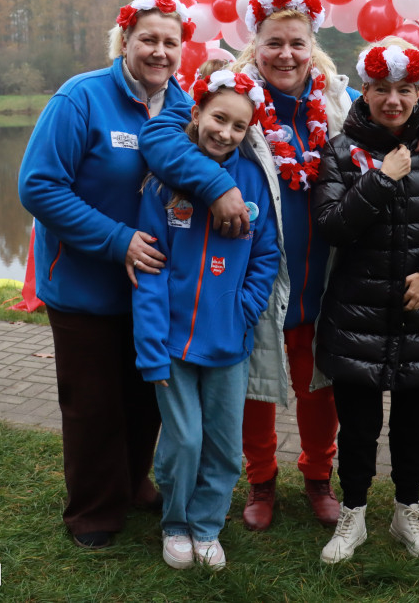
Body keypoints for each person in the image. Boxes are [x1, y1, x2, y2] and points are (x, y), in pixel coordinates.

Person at [142, 0, 419, 533]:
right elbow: (164, 135)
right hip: (257, 273)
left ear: (312, 47)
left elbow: (405, 109)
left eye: (297, 43)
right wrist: (216, 185)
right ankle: (261, 481)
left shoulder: (339, 100)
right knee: (254, 385)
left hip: (329, 274)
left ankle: (318, 478)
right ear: (254, 46)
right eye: (273, 44)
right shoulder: (230, 96)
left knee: (321, 386)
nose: (285, 55)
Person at [18, 0, 221, 550]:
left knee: (143, 396)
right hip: (86, 287)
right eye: (148, 39)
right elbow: (37, 185)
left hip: (155, 290)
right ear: (125, 42)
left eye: (170, 42)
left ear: (183, 50)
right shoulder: (82, 98)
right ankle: (92, 509)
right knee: (92, 404)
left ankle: (132, 484)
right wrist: (118, 241)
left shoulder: (185, 107)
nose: (159, 51)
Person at [312, 40, 419, 563]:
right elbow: (332, 226)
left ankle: (408, 511)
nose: (393, 101)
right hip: (357, 312)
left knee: (410, 426)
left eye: (404, 90)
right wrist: (381, 180)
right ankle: (353, 515)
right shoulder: (340, 150)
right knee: (357, 426)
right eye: (381, 89)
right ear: (366, 91)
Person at [134, 70, 281, 570]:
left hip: (230, 343)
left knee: (223, 445)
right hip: (172, 344)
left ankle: (207, 525)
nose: (226, 133)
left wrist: (244, 310)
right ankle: (175, 523)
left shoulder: (252, 180)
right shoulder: (163, 184)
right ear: (195, 113)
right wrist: (151, 342)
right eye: (219, 118)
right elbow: (149, 271)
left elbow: (265, 254)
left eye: (239, 127)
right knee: (185, 440)